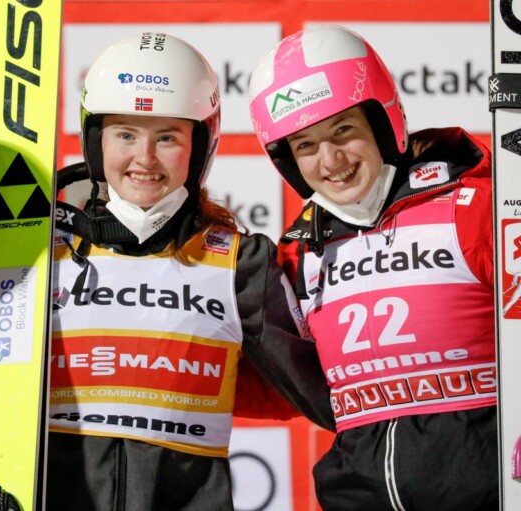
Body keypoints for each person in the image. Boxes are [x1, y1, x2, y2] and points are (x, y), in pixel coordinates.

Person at [47, 32, 333, 511]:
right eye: (125, 134)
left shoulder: (241, 263)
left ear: (200, 146)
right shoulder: (37, 248)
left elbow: (327, 392)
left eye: (167, 137)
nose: (144, 158)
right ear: (95, 142)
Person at [248, 25, 496, 510]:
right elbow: (292, 390)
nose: (330, 160)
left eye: (343, 131)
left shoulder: (473, 207)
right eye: (305, 146)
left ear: (384, 125)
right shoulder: (299, 253)